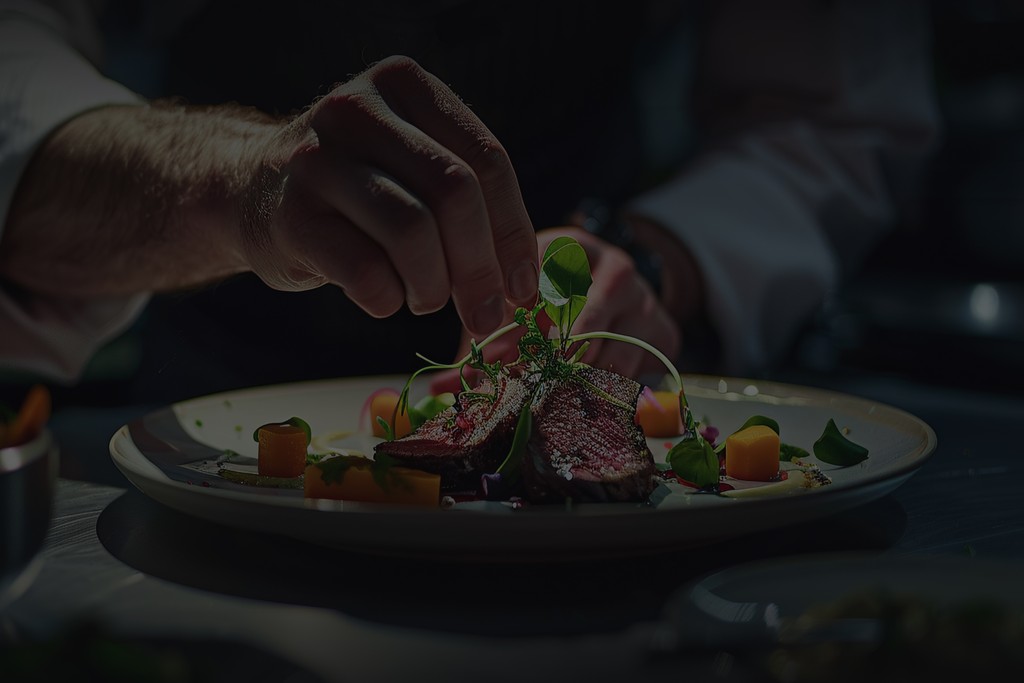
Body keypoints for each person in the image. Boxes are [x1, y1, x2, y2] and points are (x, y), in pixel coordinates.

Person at [0, 1, 938, 403]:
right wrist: (232, 181)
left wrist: (656, 259)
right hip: (211, 402)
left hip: (604, 483)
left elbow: (832, 117)